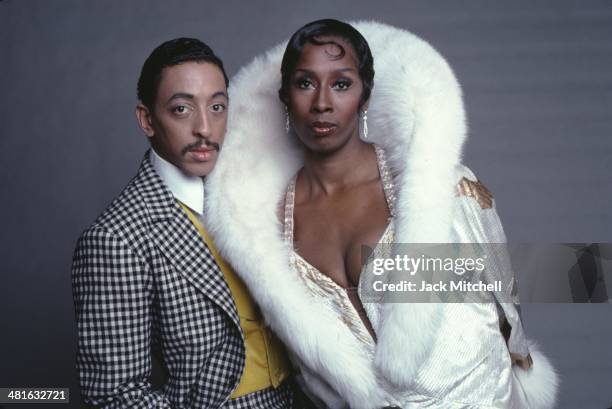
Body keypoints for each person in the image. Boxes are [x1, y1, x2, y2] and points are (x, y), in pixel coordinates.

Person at [204, 20, 559, 408]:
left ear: (366, 96)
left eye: (341, 84)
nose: (322, 102)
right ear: (285, 98)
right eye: (306, 83)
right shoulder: (266, 235)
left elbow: (507, 311)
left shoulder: (445, 192)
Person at [71, 38, 292, 408]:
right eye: (181, 109)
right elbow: (115, 395)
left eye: (217, 107)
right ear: (147, 120)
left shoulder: (258, 191)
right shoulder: (115, 240)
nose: (205, 128)